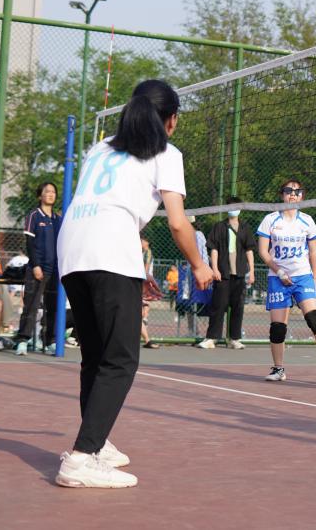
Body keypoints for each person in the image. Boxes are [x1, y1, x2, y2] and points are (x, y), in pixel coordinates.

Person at [54, 79, 213, 488]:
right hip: (109, 249)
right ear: (171, 120)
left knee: (95, 354)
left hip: (72, 247)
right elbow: (177, 223)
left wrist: (135, 268)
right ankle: (82, 458)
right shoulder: (167, 153)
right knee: (121, 359)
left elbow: (106, 204)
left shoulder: (100, 148)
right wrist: (199, 266)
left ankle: (97, 441)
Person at [256, 179, 316, 381]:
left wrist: (314, 276)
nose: (293, 194)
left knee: (314, 317)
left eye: (297, 191)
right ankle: (278, 369)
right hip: (278, 277)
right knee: (278, 327)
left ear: (302, 196)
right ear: (282, 195)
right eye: (288, 191)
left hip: (302, 276)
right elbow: (263, 252)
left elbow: (313, 251)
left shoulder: (307, 221)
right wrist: (279, 271)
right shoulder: (270, 220)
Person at [199, 196, 257, 350]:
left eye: (236, 206)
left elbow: (250, 250)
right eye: (230, 206)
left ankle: (234, 339)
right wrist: (215, 269)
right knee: (218, 305)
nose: (233, 209)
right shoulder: (219, 227)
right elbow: (214, 249)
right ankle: (211, 338)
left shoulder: (245, 228)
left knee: (238, 307)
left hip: (240, 273)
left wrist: (251, 271)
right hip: (223, 273)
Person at [13, 182, 62, 355]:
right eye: (47, 191)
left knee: (53, 307)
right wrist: (35, 265)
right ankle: (22, 340)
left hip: (54, 270)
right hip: (38, 268)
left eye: (53, 192)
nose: (51, 194)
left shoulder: (57, 219)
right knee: (31, 306)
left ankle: (49, 341)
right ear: (40, 195)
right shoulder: (34, 215)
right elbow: (30, 243)